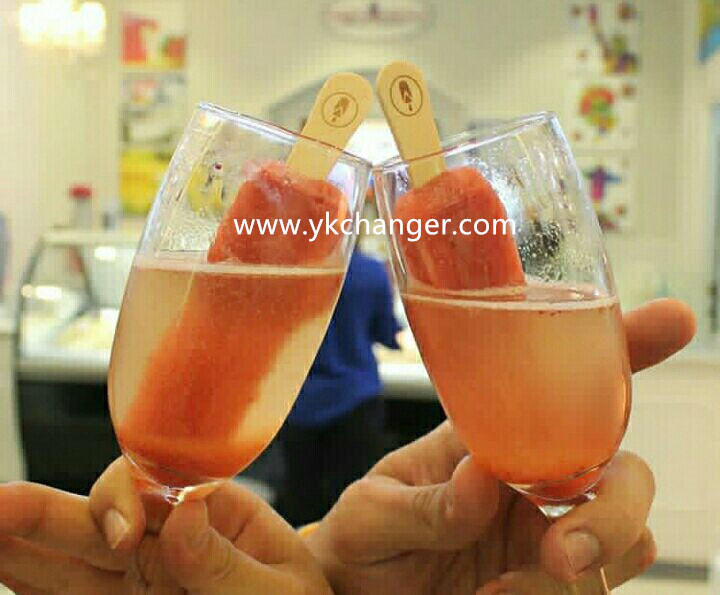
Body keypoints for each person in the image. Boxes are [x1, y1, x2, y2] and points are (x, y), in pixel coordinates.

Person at [0, 298, 696, 594]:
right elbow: (385, 333)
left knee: (302, 487)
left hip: (306, 409)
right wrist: (322, 569)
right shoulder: (363, 275)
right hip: (354, 402)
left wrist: (328, 576)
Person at [276, 246, 402, 526]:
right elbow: (387, 333)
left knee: (300, 503)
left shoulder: (291, 271)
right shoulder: (372, 272)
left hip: (300, 401)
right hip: (356, 399)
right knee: (352, 507)